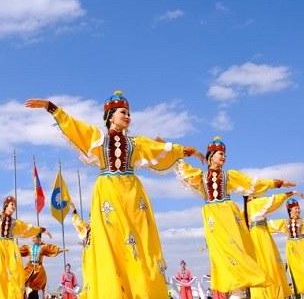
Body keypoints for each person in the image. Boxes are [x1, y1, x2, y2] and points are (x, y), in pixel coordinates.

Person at [25, 91, 205, 299]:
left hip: (133, 195)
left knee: (141, 244)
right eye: (123, 112)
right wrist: (51, 107)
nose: (128, 116)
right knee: (111, 245)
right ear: (110, 116)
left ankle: (142, 292)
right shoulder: (98, 139)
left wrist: (192, 151)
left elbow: (163, 149)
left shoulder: (136, 143)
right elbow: (74, 126)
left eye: (129, 113)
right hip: (108, 193)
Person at [174, 136, 296, 299]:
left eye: (225, 155)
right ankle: (234, 290)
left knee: (235, 248)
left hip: (228, 214)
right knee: (219, 252)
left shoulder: (229, 176)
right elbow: (180, 165)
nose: (223, 157)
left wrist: (278, 183)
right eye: (220, 154)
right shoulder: (200, 176)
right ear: (211, 156)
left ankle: (239, 290)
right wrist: (168, 148)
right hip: (212, 217)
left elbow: (253, 183)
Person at [0, 190, 51, 299]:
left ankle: (15, 296)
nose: (14, 207)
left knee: (16, 270)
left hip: (11, 245)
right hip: (0, 245)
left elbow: (27, 227)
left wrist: (42, 229)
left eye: (15, 205)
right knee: (1, 273)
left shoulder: (15, 223)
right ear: (6, 206)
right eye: (12, 204)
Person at [245, 191, 304, 299]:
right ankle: (272, 293)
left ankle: (261, 294)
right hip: (261, 235)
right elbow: (274, 200)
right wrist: (291, 193)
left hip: (253, 237)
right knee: (270, 262)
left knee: (260, 264)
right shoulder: (256, 203)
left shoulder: (245, 208)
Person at [20, 233, 68, 299]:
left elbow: (51, 249)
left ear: (39, 238)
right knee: (22, 281)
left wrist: (61, 250)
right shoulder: (29, 248)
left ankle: (34, 295)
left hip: (38, 269)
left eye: (35, 237)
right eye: (32, 237)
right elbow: (19, 251)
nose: (33, 239)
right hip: (29, 268)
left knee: (36, 287)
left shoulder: (42, 248)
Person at [69, 202, 90, 299]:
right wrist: (73, 209)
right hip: (89, 253)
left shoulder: (101, 228)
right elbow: (78, 222)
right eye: (90, 218)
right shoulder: (88, 228)